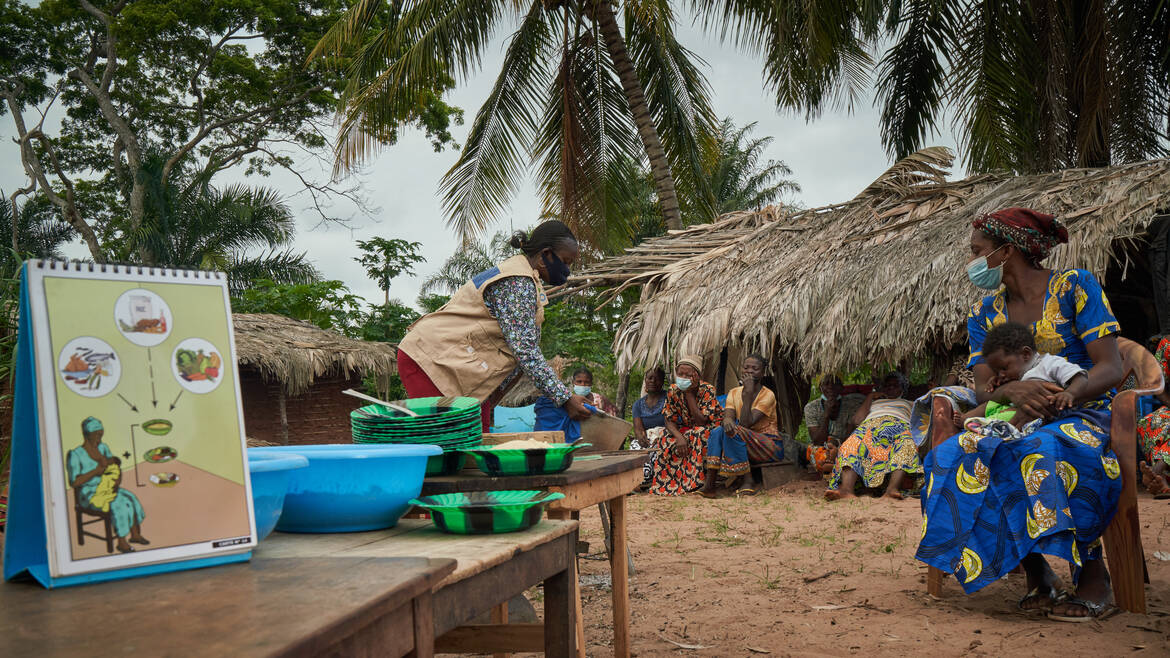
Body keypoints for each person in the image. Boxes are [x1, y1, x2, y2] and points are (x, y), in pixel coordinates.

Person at [917, 207, 1124, 622]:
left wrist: (1061, 396)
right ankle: (1036, 571)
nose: (972, 261)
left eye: (978, 251)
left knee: (1039, 448)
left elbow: (1112, 366)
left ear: (1006, 250)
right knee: (954, 454)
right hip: (1015, 415)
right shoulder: (983, 313)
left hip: (1083, 412)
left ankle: (1092, 574)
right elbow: (982, 385)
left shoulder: (1074, 286)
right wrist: (1013, 389)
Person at [397, 220, 591, 430]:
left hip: (448, 364)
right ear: (546, 255)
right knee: (449, 440)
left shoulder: (525, 280)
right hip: (431, 361)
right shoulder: (518, 283)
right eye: (565, 261)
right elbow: (525, 351)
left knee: (474, 440)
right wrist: (564, 398)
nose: (567, 270)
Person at [956, 322, 1088, 430]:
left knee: (1008, 414)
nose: (1001, 374)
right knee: (987, 406)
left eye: (1004, 368)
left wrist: (1070, 393)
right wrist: (995, 381)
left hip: (1044, 414)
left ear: (1025, 354)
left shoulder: (1050, 364)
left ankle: (986, 426)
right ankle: (965, 420)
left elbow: (1080, 377)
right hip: (1017, 408)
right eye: (996, 371)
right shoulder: (1018, 372)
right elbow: (1004, 392)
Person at [825, 372, 921, 501]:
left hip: (899, 426)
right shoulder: (875, 402)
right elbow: (857, 420)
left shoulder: (910, 403)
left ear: (902, 388)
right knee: (852, 443)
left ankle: (892, 489)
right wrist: (870, 397)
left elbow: (920, 424)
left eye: (895, 385)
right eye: (887, 386)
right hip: (870, 427)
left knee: (907, 443)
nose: (890, 388)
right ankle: (846, 490)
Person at [700, 354, 786, 497]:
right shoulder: (733, 393)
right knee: (717, 431)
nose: (749, 371)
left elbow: (746, 423)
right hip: (744, 441)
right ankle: (710, 483)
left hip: (769, 445)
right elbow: (728, 416)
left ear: (763, 372)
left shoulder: (767, 395)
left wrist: (748, 394)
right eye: (746, 367)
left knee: (735, 430)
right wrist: (727, 420)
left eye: (755, 368)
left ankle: (748, 481)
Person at [66, 417, 148, 553]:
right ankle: (121, 542)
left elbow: (114, 465)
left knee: (130, 497)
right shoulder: (75, 455)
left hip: (107, 486)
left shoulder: (103, 448)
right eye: (97, 434)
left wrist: (116, 480)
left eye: (101, 433)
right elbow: (74, 482)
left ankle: (135, 535)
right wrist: (95, 471)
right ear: (87, 435)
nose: (100, 437)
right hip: (88, 493)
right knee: (118, 503)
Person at [649, 355, 723, 496]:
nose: (683, 377)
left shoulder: (707, 390)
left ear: (697, 376)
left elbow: (702, 421)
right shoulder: (673, 390)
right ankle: (665, 485)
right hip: (687, 429)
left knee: (697, 434)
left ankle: (694, 483)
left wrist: (689, 393)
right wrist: (678, 437)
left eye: (688, 375)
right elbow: (668, 419)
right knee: (664, 438)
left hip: (709, 428)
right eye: (680, 374)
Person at [803, 375, 866, 476]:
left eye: (835, 383)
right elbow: (818, 441)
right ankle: (841, 469)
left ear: (841, 387)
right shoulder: (811, 408)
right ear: (820, 387)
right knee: (818, 455)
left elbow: (851, 435)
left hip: (844, 445)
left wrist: (837, 449)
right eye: (826, 383)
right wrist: (826, 415)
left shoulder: (851, 405)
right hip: (821, 447)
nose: (830, 387)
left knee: (856, 451)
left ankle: (837, 469)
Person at [1139, 335, 1170, 498]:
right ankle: (1161, 480)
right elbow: (1158, 384)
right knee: (1153, 421)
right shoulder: (1166, 345)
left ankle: (1157, 470)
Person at [631, 367, 667, 486]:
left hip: (664, 436)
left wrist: (659, 437)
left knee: (657, 449)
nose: (652, 381)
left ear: (662, 382)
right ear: (645, 380)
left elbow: (672, 422)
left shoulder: (668, 399)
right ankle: (638, 480)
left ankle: (647, 480)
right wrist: (641, 438)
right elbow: (638, 427)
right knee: (635, 446)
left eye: (657, 379)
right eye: (649, 378)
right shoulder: (638, 404)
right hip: (647, 437)